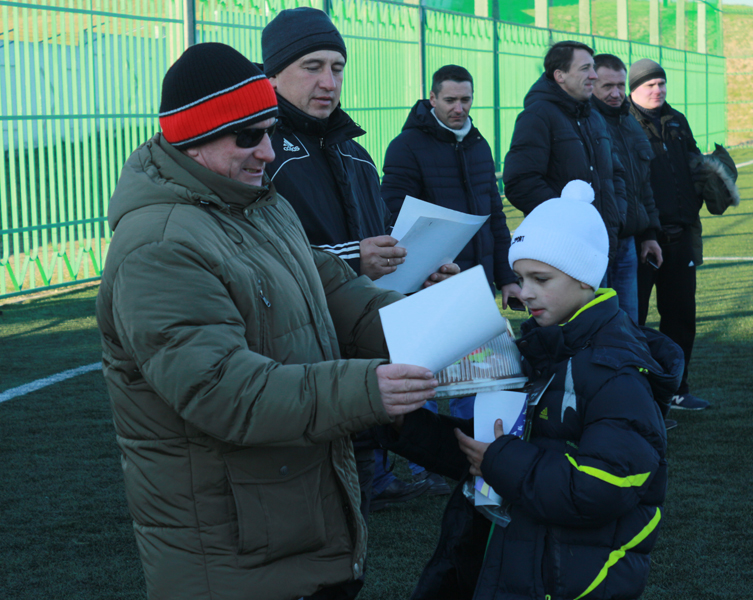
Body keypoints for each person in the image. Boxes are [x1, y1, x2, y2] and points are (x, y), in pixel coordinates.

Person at [95, 43, 441, 600]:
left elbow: (335, 292)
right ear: (194, 138)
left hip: (292, 526)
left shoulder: (260, 203)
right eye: (247, 136)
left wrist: (437, 326)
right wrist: (368, 388)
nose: (268, 151)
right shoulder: (159, 246)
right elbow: (222, 391)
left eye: (271, 131)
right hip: (233, 558)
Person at [378, 180, 682, 600]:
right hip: (508, 561)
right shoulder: (540, 349)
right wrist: (407, 425)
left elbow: (607, 484)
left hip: (567, 579)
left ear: (585, 279)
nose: (525, 292)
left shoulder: (616, 372)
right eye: (521, 277)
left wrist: (501, 460)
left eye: (541, 278)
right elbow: (486, 449)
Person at [260, 8, 448, 520]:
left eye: (337, 67)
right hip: (299, 366)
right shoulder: (261, 154)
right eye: (312, 67)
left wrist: (420, 268)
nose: (329, 81)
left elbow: (381, 242)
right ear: (272, 75)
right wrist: (353, 258)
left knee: (355, 513)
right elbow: (257, 261)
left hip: (365, 358)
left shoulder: (357, 155)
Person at [379, 64, 521, 484]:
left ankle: (468, 458)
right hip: (427, 284)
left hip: (474, 282)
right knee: (423, 377)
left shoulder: (479, 144)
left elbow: (494, 214)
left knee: (475, 379)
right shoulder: (405, 147)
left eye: (466, 99)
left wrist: (505, 275)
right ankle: (424, 467)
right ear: (432, 100)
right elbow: (394, 215)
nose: (459, 108)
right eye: (451, 100)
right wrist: (424, 269)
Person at [628, 58, 713, 411]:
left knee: (681, 317)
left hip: (680, 236)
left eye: (661, 83)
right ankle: (634, 393)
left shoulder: (677, 120)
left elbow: (693, 166)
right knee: (633, 319)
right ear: (634, 88)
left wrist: (712, 181)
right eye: (649, 84)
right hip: (641, 241)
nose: (658, 90)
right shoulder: (624, 123)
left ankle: (676, 389)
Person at [503, 40, 625, 265]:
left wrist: (618, 217)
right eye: (585, 68)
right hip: (562, 253)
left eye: (593, 68)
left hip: (602, 246)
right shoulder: (537, 116)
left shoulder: (594, 117)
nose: (594, 76)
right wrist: (567, 221)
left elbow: (615, 173)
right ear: (560, 75)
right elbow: (520, 182)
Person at [590, 54, 662, 320]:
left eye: (620, 85)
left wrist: (650, 234)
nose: (616, 93)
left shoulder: (630, 123)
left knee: (628, 323)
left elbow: (643, 186)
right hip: (595, 242)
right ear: (591, 84)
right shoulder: (586, 124)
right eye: (607, 86)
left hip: (627, 241)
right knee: (599, 323)